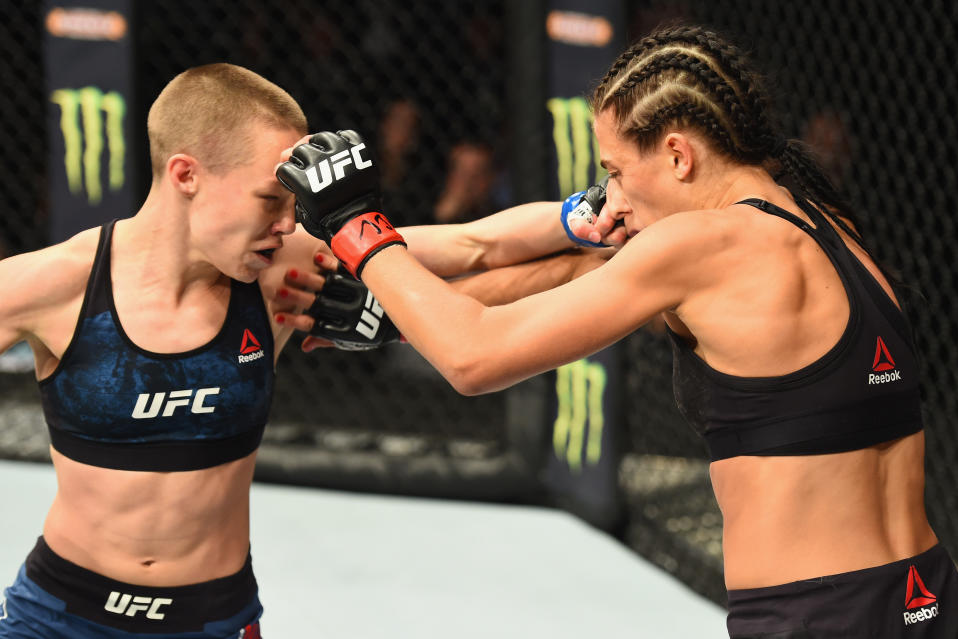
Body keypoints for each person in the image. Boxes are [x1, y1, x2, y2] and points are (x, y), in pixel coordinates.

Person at [277, 25, 958, 638]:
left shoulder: (701, 245)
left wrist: (357, 226)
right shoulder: (823, 224)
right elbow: (562, 272)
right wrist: (396, 315)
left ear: (678, 155)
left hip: (817, 616)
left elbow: (475, 356)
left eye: (616, 174)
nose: (615, 200)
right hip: (924, 596)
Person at [0, 62, 606, 638]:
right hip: (54, 615)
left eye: (294, 203)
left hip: (212, 618)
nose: (290, 224)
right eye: (271, 199)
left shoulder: (274, 273)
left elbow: (475, 246)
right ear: (186, 175)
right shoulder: (48, 286)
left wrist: (588, 218)